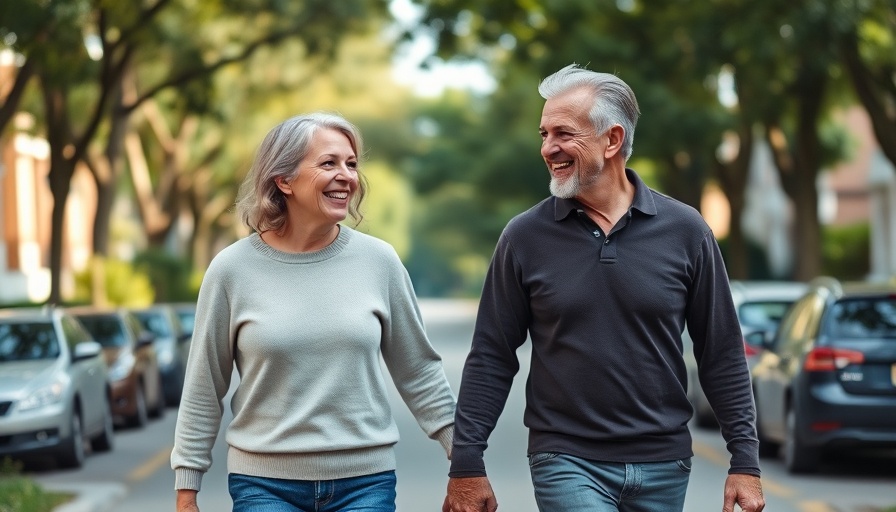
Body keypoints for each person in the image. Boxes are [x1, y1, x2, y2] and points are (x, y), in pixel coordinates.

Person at [442, 64, 765, 512]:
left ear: (612, 140)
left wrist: (745, 462)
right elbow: (492, 354)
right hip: (565, 458)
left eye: (563, 134)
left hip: (664, 462)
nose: (547, 148)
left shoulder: (687, 231)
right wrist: (466, 463)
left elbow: (722, 350)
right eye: (544, 134)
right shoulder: (524, 237)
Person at [171, 112, 456, 512]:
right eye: (329, 163)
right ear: (283, 180)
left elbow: (419, 371)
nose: (347, 176)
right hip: (264, 484)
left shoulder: (379, 262)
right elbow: (204, 385)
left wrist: (465, 459)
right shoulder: (231, 270)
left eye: (351, 164)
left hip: (365, 482)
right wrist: (187, 490)